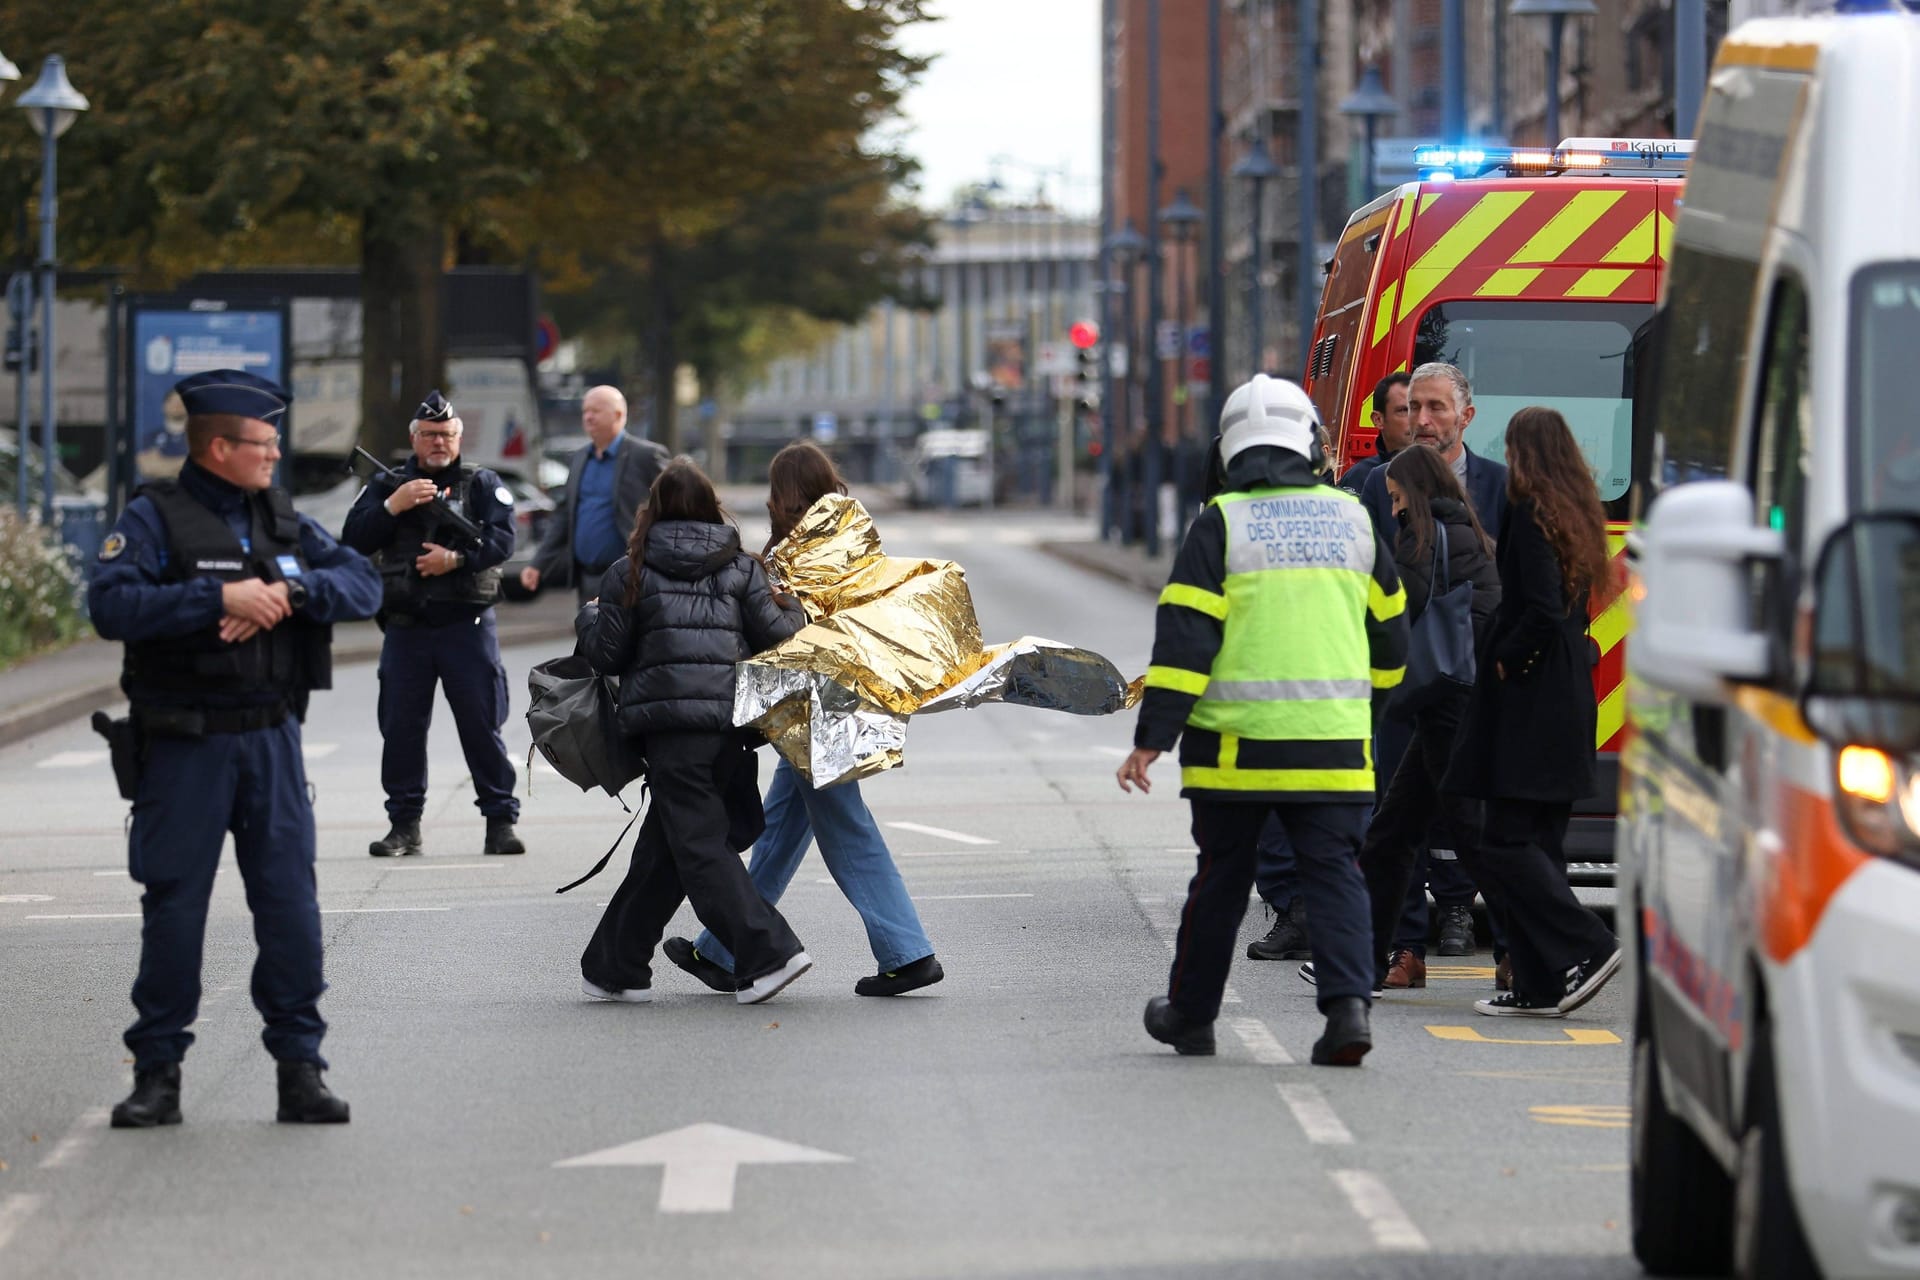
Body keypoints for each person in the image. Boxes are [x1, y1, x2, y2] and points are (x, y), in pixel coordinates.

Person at [87, 369, 382, 1128]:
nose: (275, 455)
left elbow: (363, 585)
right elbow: (111, 604)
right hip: (185, 746)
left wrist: (286, 595)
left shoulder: (279, 519)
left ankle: (300, 1070)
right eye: (263, 443)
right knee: (176, 911)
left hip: (272, 742)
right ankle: (158, 1073)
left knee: (291, 911)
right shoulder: (155, 517)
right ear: (219, 446)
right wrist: (217, 598)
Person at [1119, 374, 1408, 1066]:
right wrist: (1362, 716)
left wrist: (1152, 740)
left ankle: (1191, 1016)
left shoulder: (1220, 525)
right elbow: (1393, 645)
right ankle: (1346, 1013)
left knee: (1221, 876)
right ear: (1309, 444)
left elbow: (1185, 645)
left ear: (1229, 452)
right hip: (1336, 751)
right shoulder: (1354, 520)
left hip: (1233, 755)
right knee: (1335, 875)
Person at [664, 442, 943, 998]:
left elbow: (784, 626)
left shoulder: (801, 550)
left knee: (847, 830)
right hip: (842, 701)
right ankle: (721, 948)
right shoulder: (851, 532)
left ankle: (908, 952)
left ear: (784, 495)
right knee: (780, 828)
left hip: (815, 711)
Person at [577, 459, 813, 1005]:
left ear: (652, 510)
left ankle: (769, 953)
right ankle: (615, 966)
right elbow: (781, 637)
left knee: (699, 847)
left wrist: (589, 617)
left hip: (668, 733)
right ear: (712, 506)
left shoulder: (630, 569)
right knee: (666, 849)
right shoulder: (741, 568)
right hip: (729, 729)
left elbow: (607, 653)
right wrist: (795, 604)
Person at [1444, 407, 1620, 1017]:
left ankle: (1587, 945)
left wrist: (1505, 660)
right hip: (1569, 693)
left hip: (1531, 699)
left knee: (1505, 839)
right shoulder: (1576, 512)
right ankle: (1541, 983)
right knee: (1539, 840)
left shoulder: (1529, 508)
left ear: (1527, 453)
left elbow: (1540, 608)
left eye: (1513, 448)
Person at [341, 390, 524, 858]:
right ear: (414, 438)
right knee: (400, 727)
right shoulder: (389, 484)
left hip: (467, 623)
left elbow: (504, 539)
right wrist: (393, 507)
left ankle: (499, 822)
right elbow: (354, 537)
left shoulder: (480, 483)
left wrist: (456, 559)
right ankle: (404, 825)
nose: (438, 442)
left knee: (482, 724)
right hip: (406, 627)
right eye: (429, 434)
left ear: (458, 436)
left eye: (446, 434)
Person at [1346, 444, 1501, 994]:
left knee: (1473, 838)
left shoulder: (1424, 540)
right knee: (1390, 836)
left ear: (1413, 492)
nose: (1391, 509)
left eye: (1394, 498)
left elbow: (1394, 617)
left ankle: (1551, 948)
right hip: (1456, 699)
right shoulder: (1469, 533)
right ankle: (1360, 959)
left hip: (1444, 704)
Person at [520, 385, 669, 604]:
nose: (588, 417)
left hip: (630, 579)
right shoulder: (580, 458)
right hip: (586, 580)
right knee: (589, 637)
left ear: (618, 415)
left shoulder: (645, 456)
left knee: (624, 638)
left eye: (596, 411)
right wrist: (538, 564)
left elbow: (674, 504)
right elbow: (564, 516)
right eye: (585, 411)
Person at [1358, 362, 1508, 543]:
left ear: (1466, 416)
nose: (1422, 420)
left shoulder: (1500, 483)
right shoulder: (1379, 481)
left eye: (1436, 407)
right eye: (1413, 407)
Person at [1337, 371, 1413, 498]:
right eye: (1404, 410)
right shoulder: (1359, 477)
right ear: (1378, 420)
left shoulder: (1443, 471)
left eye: (1417, 408)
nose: (1417, 419)